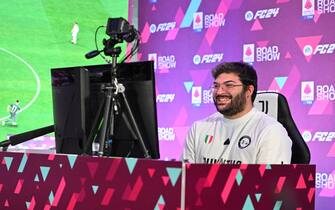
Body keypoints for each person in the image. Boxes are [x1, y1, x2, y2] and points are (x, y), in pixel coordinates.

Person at [182, 62, 292, 164]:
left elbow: (268, 183)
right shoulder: (198, 128)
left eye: (229, 85)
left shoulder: (271, 131)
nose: (219, 92)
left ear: (249, 91)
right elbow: (185, 179)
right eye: (216, 86)